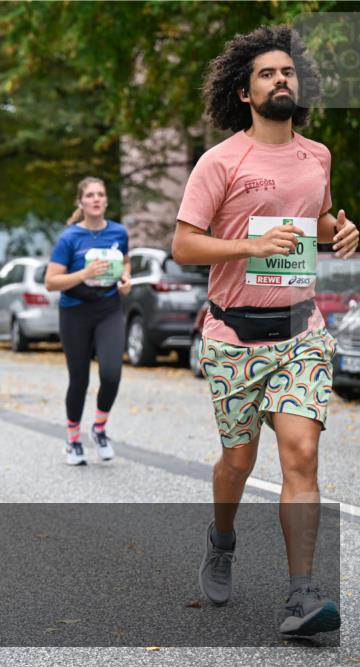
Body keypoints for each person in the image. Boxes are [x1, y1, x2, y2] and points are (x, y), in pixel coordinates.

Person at [172, 25, 356, 636]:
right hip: (233, 334)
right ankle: (221, 538)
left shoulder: (317, 155)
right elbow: (183, 244)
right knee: (239, 459)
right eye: (267, 74)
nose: (282, 80)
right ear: (245, 93)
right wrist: (249, 243)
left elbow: (320, 221)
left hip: (301, 330)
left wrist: (342, 233)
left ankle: (302, 596)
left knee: (301, 454)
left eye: (288, 72)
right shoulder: (221, 161)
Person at [44, 177, 131, 466]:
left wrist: (125, 278)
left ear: (106, 201)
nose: (95, 199)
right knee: (79, 379)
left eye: (100, 194)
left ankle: (99, 429)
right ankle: (72, 440)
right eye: (90, 195)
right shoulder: (70, 238)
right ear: (81, 203)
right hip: (75, 312)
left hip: (108, 308)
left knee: (111, 374)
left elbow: (125, 262)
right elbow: (51, 282)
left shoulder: (119, 232)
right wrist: (84, 273)